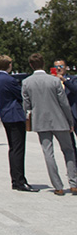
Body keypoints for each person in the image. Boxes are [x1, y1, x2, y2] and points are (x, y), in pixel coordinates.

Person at [22, 52, 77, 195]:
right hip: (59, 120)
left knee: (48, 153)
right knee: (68, 151)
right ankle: (74, 183)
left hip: (41, 121)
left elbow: (26, 105)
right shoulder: (54, 81)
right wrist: (70, 120)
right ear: (44, 64)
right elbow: (64, 103)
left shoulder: (26, 82)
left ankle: (57, 186)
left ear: (31, 65)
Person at [0, 55, 33, 192]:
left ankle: (15, 179)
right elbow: (20, 95)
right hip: (15, 114)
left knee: (13, 148)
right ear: (9, 64)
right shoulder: (9, 79)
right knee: (19, 149)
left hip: (6, 114)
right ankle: (20, 180)